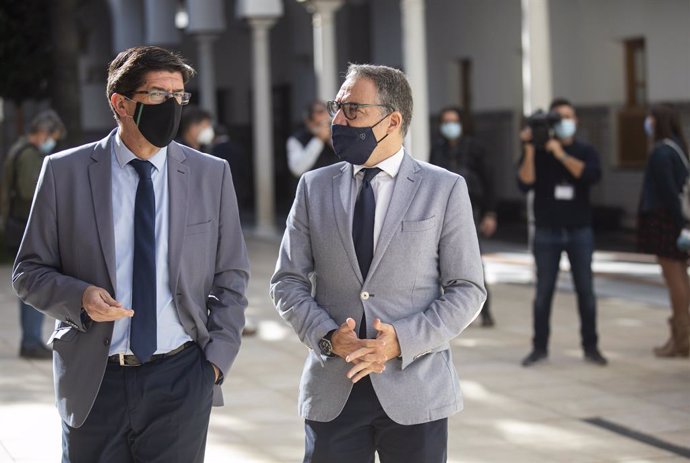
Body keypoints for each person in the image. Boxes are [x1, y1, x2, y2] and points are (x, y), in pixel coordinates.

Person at [12, 46, 250, 462]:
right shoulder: (63, 173)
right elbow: (28, 272)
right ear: (120, 103)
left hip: (181, 378)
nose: (172, 106)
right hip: (94, 379)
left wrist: (214, 364)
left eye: (179, 96)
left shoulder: (211, 175)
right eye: (159, 95)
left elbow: (231, 277)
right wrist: (79, 297)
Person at [270, 64, 486, 463]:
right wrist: (327, 335)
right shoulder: (313, 187)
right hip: (333, 389)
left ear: (393, 120)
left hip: (415, 389)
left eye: (352, 110)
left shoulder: (445, 188)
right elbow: (287, 281)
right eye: (337, 107)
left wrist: (401, 341)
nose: (337, 120)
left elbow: (467, 288)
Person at [517, 98, 607, 367]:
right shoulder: (539, 151)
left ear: (575, 120)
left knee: (586, 292)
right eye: (558, 118)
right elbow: (525, 183)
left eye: (567, 117)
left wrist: (561, 154)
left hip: (579, 231)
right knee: (543, 292)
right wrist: (530, 148)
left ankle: (591, 347)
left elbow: (591, 176)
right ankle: (539, 347)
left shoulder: (585, 150)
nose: (564, 122)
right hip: (547, 232)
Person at [1, 109, 66, 360]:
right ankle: (30, 341)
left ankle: (31, 339)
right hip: (25, 226)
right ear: (43, 132)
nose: (53, 143)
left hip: (19, 224)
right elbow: (31, 191)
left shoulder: (20, 150)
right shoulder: (28, 155)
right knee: (35, 282)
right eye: (53, 137)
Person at [430, 106, 497, 327]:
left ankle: (484, 310)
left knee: (472, 261)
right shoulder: (438, 149)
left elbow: (489, 181)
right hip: (440, 211)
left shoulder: (474, 148)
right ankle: (445, 311)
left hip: (471, 209)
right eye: (446, 121)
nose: (450, 125)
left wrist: (490, 213)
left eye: (454, 121)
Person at [637, 104, 690, 358]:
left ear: (657, 121)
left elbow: (668, 191)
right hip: (676, 221)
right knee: (680, 273)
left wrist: (680, 225)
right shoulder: (679, 148)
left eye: (649, 118)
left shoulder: (661, 152)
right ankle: (682, 335)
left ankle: (682, 337)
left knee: (674, 276)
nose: (647, 122)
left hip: (666, 222)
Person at [285, 100, 338, 178]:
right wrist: (318, 140)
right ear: (308, 120)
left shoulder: (334, 133)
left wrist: (330, 138)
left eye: (326, 111)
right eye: (320, 112)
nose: (325, 116)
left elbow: (348, 156)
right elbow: (297, 169)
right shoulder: (295, 140)